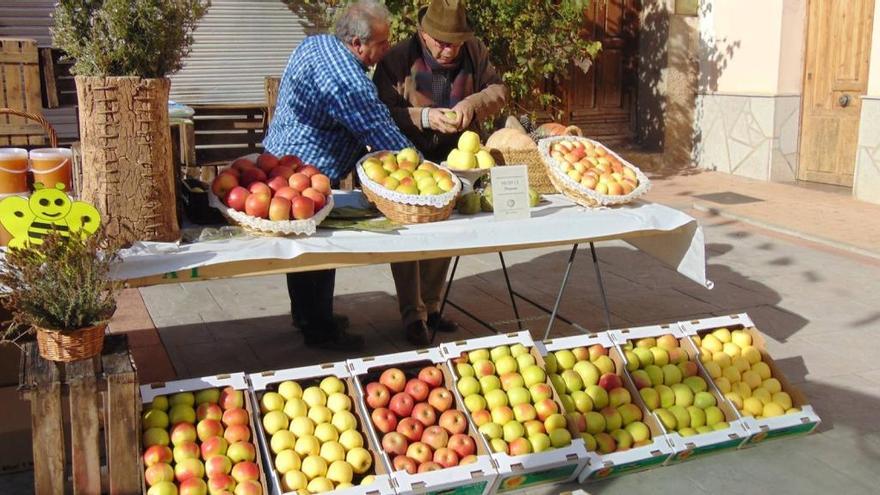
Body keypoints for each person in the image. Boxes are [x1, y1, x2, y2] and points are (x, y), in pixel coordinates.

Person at [263, 0, 413, 351]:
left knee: (300, 248)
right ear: (358, 45)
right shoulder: (348, 81)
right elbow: (382, 136)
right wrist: (424, 167)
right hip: (305, 174)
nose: (388, 49)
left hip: (278, 158)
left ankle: (307, 316)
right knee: (317, 250)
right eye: (383, 43)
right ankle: (321, 330)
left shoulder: (313, 43)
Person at [373, 0, 508, 345]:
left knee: (446, 234)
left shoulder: (475, 53)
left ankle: (432, 307)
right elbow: (379, 111)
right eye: (441, 42)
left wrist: (472, 103)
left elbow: (498, 89)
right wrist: (422, 117)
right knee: (409, 240)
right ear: (423, 33)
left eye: (456, 42)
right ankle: (411, 316)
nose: (449, 50)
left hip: (455, 159)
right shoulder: (397, 60)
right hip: (407, 159)